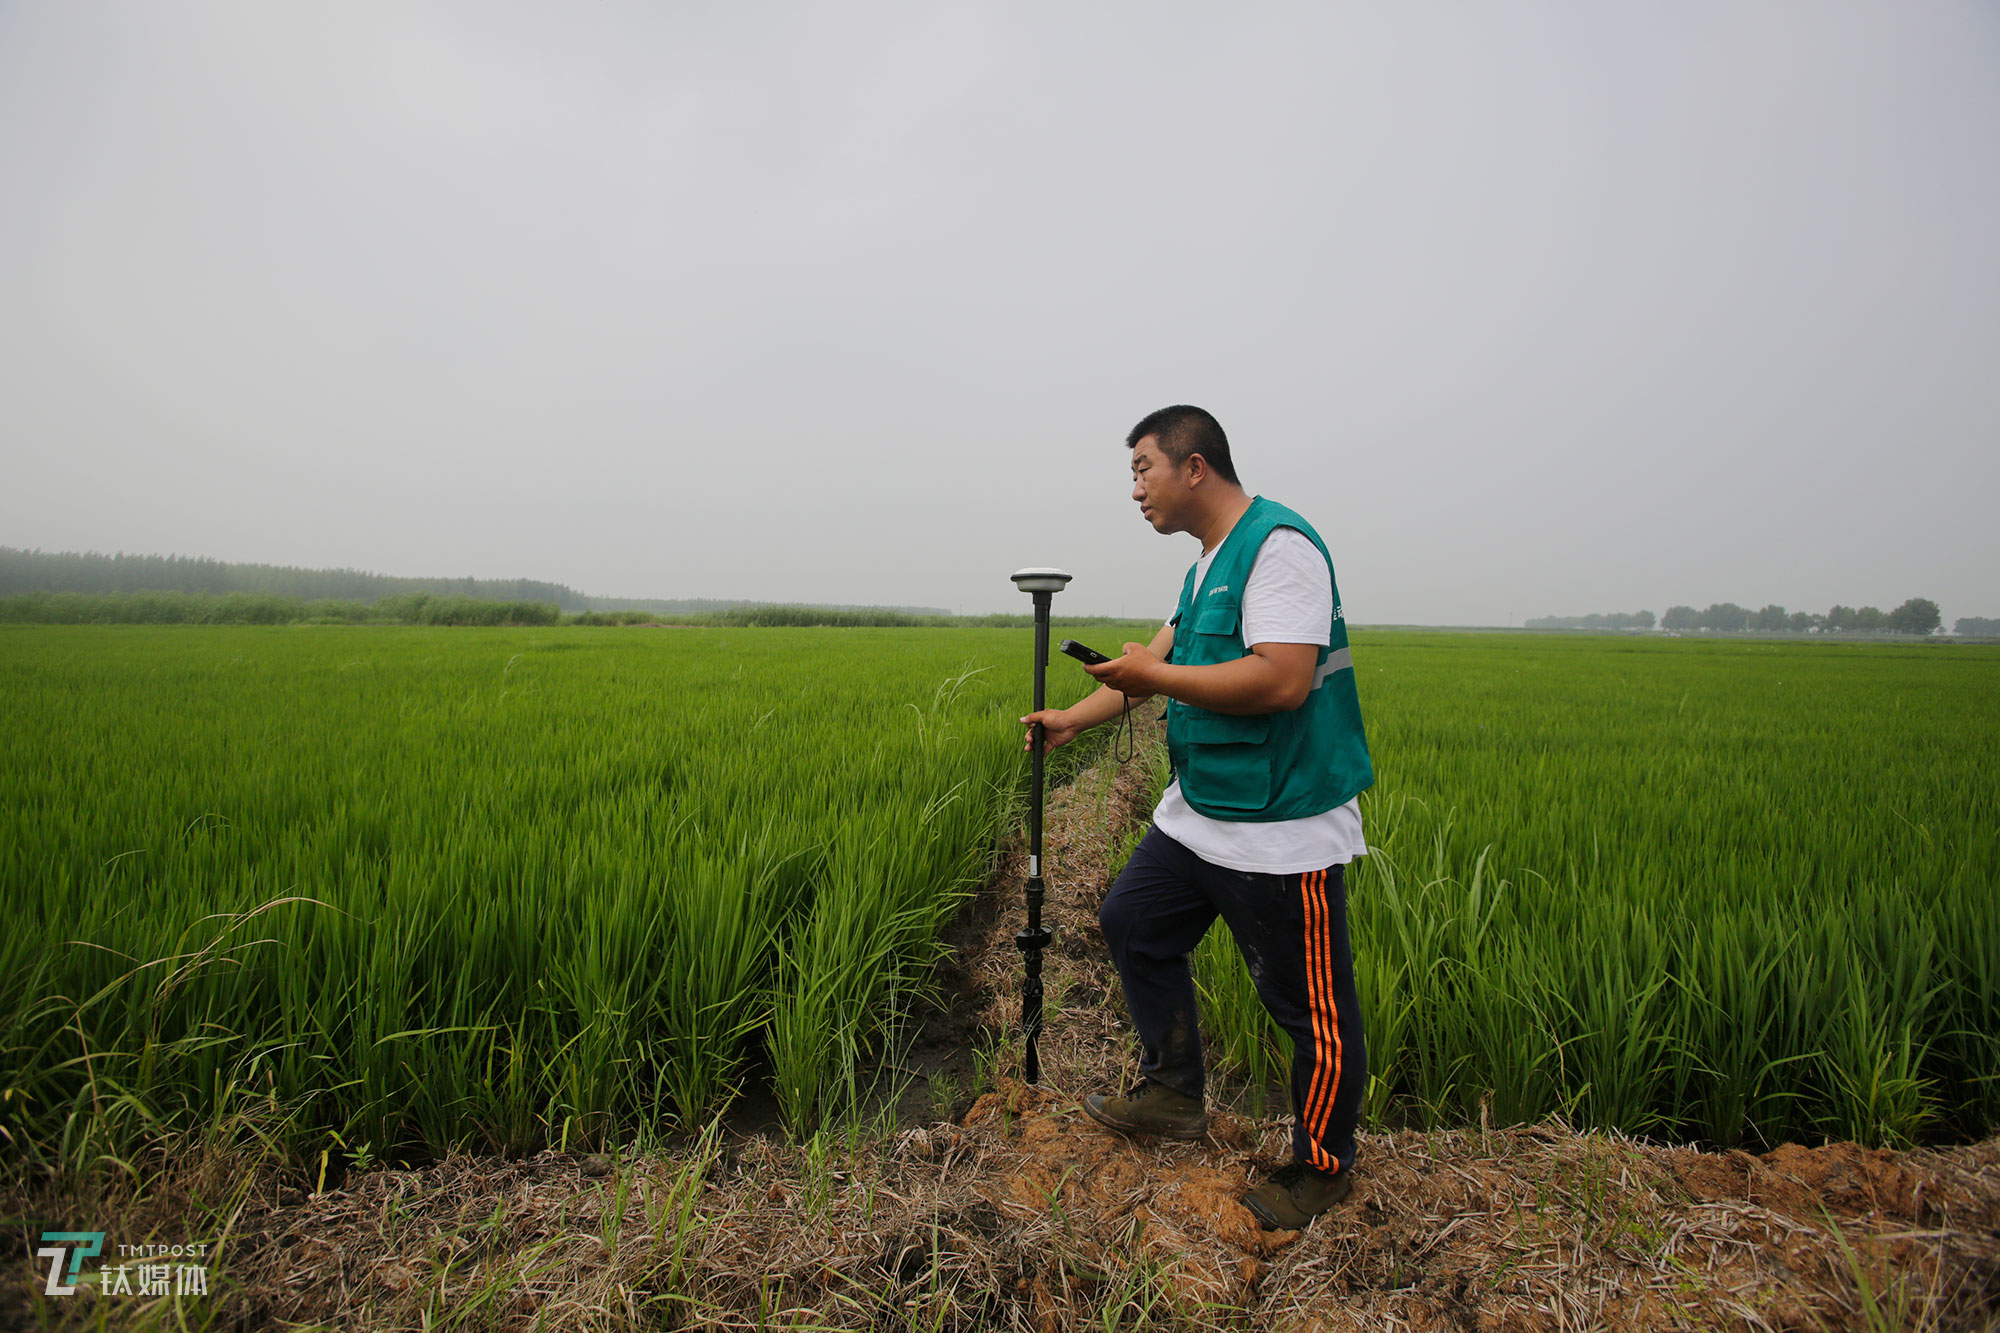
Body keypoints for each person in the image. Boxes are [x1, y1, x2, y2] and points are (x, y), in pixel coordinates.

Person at [1020, 404, 1373, 1230]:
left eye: (1143, 467)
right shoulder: (1206, 565)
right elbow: (1154, 665)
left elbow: (1282, 679)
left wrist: (1156, 675)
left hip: (1280, 825)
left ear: (1195, 467)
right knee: (1133, 920)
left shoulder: (1279, 549)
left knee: (1311, 1010)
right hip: (1204, 810)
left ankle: (1323, 1168)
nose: (1135, 488)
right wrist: (1076, 715)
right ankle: (1174, 1090)